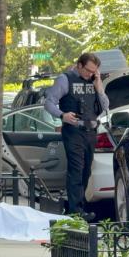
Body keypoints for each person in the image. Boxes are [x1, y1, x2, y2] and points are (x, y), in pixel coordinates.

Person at [44, 53, 109, 221]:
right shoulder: (65, 79)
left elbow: (105, 106)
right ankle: (75, 210)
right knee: (76, 169)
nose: (90, 74)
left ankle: (76, 206)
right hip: (73, 130)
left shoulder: (94, 82)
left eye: (94, 71)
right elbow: (49, 102)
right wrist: (62, 115)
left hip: (91, 132)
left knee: (86, 171)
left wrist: (99, 86)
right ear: (79, 65)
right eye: (88, 70)